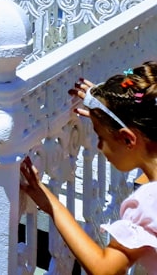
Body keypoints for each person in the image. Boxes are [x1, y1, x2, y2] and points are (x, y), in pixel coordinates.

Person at [20, 64, 157, 274]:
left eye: (101, 137)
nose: (100, 147)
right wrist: (107, 109)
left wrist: (51, 204)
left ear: (128, 139)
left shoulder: (149, 204)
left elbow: (105, 269)